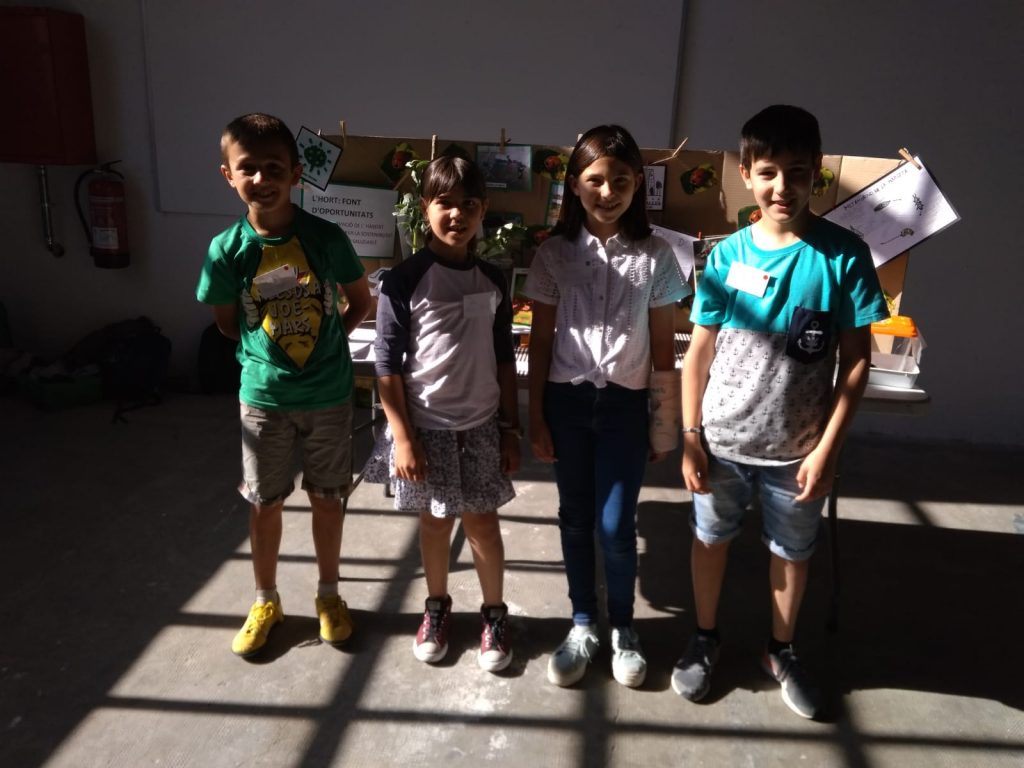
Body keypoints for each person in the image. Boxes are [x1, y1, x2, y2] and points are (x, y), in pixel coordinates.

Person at [673, 105, 890, 719]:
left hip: (798, 451)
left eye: (797, 172)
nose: (782, 187)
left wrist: (827, 451)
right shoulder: (725, 256)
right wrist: (691, 435)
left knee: (793, 553)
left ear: (817, 171)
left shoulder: (844, 256)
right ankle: (705, 636)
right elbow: (698, 355)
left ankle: (781, 650)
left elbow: (856, 364)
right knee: (710, 539)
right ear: (745, 173)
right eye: (767, 172)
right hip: (721, 442)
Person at [196, 113, 372, 658]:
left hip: (329, 398)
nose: (261, 179)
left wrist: (328, 345)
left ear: (296, 173)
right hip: (264, 400)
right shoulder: (226, 250)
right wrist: (269, 354)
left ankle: (329, 594)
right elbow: (228, 325)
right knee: (264, 502)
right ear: (227, 174)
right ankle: (265, 600)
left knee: (328, 500)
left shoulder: (327, 238)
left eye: (274, 167)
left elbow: (360, 301)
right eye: (247, 168)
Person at [524, 125, 690, 688]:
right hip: (567, 403)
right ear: (574, 185)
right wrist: (536, 416)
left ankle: (623, 627)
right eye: (595, 180)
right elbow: (540, 341)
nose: (608, 192)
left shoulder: (656, 256)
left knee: (616, 525)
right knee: (575, 517)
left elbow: (665, 346)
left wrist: (664, 424)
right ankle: (582, 622)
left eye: (621, 180)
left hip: (625, 407)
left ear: (638, 184)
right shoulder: (554, 254)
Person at [365, 154, 521, 673]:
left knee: (483, 524)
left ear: (484, 210)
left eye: (469, 204)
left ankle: (494, 614)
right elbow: (386, 364)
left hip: (480, 426)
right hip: (426, 426)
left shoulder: (493, 279)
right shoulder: (404, 279)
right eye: (445, 203)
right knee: (435, 523)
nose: (458, 214)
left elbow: (504, 357)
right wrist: (403, 438)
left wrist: (510, 428)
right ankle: (436, 608)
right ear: (425, 207)